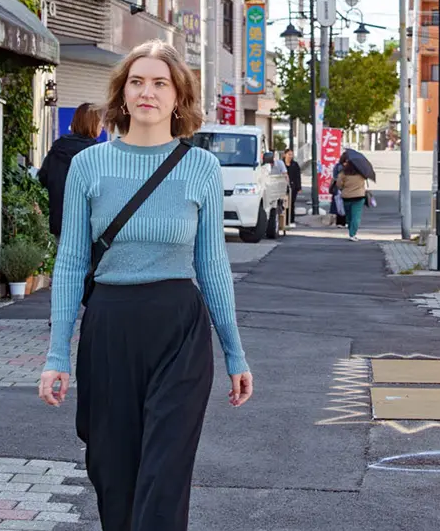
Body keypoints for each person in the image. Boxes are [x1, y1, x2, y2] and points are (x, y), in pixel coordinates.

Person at [39, 41, 251, 531]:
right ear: (122, 94)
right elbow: (70, 263)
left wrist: (235, 354)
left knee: (165, 471)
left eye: (160, 83)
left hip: (179, 328)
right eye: (137, 82)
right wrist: (56, 354)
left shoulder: (200, 167)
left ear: (178, 98)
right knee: (113, 472)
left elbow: (213, 266)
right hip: (110, 325)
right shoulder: (89, 166)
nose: (147, 92)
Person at [37, 103, 101, 238]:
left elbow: (43, 177)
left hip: (60, 222)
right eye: (100, 122)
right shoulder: (96, 153)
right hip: (87, 225)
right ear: (93, 124)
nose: (102, 126)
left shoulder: (58, 147)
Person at [337, 154, 368, 241]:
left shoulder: (343, 173)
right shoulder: (362, 173)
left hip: (346, 196)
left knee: (348, 215)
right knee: (356, 216)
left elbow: (339, 185)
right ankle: (352, 233)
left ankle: (350, 228)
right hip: (359, 196)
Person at [283, 148, 302, 225]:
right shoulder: (281, 164)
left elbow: (298, 176)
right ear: (285, 155)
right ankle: (284, 220)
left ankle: (291, 220)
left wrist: (299, 187)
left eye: (292, 154)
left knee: (291, 204)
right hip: (283, 187)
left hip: (292, 187)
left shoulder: (295, 164)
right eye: (289, 154)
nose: (290, 156)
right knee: (283, 204)